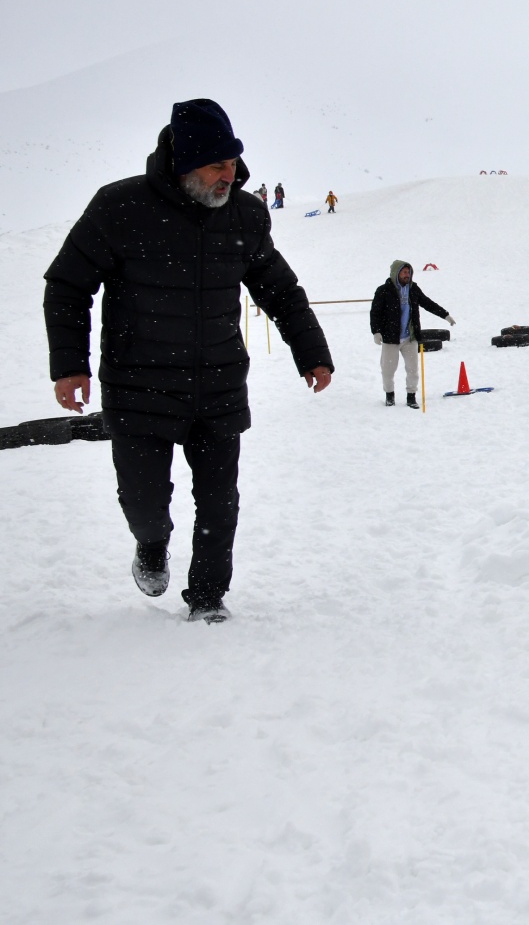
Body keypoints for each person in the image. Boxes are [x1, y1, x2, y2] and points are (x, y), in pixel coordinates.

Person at [42, 99, 334, 623]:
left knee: (220, 504)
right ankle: (152, 545)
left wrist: (311, 353)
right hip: (138, 386)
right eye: (217, 165)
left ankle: (207, 597)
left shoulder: (244, 214)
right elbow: (67, 285)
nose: (230, 176)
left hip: (218, 386)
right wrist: (69, 365)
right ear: (184, 163)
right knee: (144, 502)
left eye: (233, 164)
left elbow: (280, 290)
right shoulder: (119, 207)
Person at [370, 260, 454, 407]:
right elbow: (375, 313)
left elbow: (427, 303)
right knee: (388, 370)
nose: (407, 275)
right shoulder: (383, 290)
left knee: (413, 370)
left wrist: (445, 315)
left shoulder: (413, 289)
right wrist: (376, 332)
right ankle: (390, 396)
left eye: (408, 272)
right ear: (396, 273)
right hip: (391, 338)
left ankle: (411, 396)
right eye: (404, 272)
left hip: (410, 338)